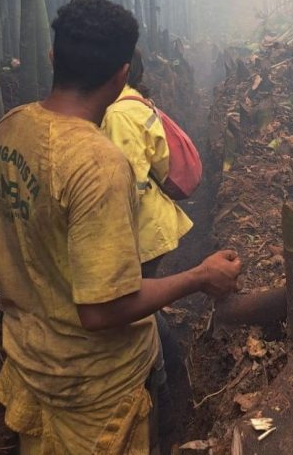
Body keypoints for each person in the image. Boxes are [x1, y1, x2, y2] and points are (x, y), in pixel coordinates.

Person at [0, 0, 241, 454]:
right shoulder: (98, 165)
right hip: (96, 397)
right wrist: (202, 276)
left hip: (30, 367)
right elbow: (102, 310)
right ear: (123, 75)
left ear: (52, 58)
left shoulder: (8, 130)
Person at [101, 48, 196, 451]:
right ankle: (174, 379)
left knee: (134, 308)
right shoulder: (134, 104)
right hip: (153, 225)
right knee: (144, 307)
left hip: (141, 231)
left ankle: (164, 385)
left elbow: (131, 181)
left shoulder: (119, 114)